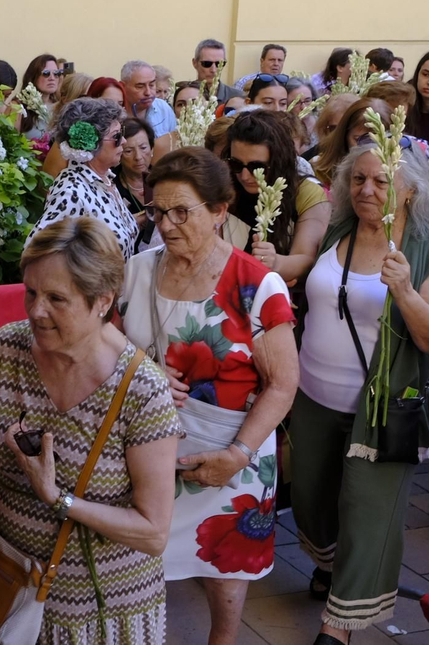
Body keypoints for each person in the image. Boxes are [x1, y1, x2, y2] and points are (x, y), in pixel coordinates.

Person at [0, 216, 180, 644]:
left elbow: (153, 531)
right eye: (31, 292)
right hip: (5, 591)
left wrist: (59, 499)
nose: (37, 310)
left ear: (101, 301)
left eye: (57, 298)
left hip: (98, 613)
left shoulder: (142, 390)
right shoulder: (8, 348)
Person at [119, 149, 299, 645]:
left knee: (224, 565)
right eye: (158, 212)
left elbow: (284, 383)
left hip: (229, 449)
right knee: (136, 558)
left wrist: (237, 455)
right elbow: (104, 350)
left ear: (220, 211)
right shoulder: (135, 272)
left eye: (183, 211)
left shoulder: (257, 285)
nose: (168, 225)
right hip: (145, 449)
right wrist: (143, 371)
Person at [295, 142, 429, 641]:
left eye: (381, 181)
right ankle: (328, 562)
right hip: (312, 399)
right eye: (358, 179)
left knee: (368, 515)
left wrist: (406, 292)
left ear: (409, 192)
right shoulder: (338, 231)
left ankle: (339, 624)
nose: (367, 190)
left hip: (387, 410)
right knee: (310, 502)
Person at [227, 111, 331, 288]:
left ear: (279, 161)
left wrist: (275, 263)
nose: (244, 175)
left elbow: (306, 257)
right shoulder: (225, 186)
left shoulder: (306, 191)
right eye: (236, 164)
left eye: (257, 167)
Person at [32, 97, 140, 257]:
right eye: (116, 136)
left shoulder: (104, 179)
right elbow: (37, 247)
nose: (124, 141)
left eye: (122, 133)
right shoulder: (71, 191)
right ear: (92, 143)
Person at [313, 97, 390, 187]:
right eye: (357, 139)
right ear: (344, 136)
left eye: (373, 141)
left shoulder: (401, 174)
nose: (365, 148)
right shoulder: (319, 170)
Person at [123, 59, 179, 157]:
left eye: (152, 85)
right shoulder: (116, 113)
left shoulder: (163, 108)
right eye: (140, 86)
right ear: (124, 86)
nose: (148, 92)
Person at [115, 117, 155, 224]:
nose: (138, 157)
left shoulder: (165, 180)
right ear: (119, 154)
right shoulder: (111, 187)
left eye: (143, 148)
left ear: (152, 149)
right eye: (128, 151)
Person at [21, 54, 66, 143]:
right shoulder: (20, 107)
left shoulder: (61, 107)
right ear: (33, 76)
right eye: (46, 73)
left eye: (56, 73)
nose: (52, 78)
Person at [192, 39, 244, 104]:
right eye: (207, 64)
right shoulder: (182, 95)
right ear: (195, 63)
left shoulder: (238, 97)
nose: (213, 70)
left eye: (219, 64)